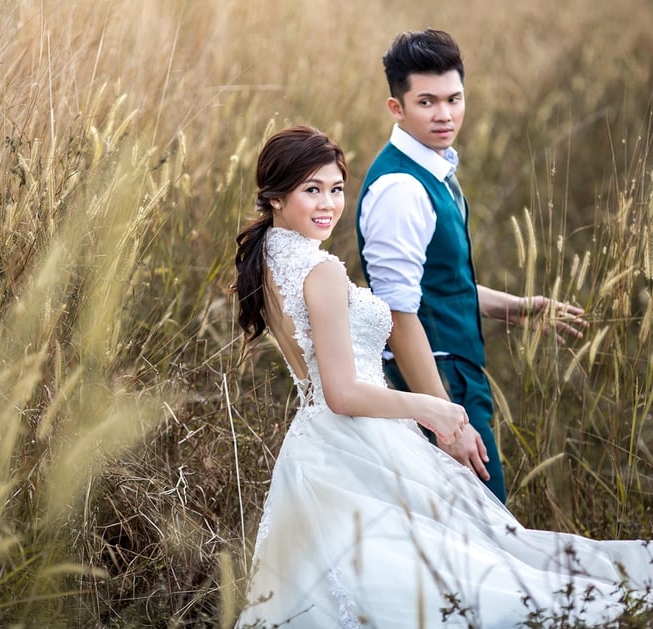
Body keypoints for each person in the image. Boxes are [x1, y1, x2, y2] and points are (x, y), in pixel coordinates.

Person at [234, 125, 652, 627]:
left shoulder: (274, 259)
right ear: (277, 197)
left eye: (336, 188)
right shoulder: (318, 271)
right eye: (312, 190)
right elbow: (342, 394)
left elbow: (403, 298)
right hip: (358, 443)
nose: (328, 204)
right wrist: (433, 407)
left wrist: (514, 307)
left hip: (315, 449)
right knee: (452, 584)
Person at [355, 29, 586, 504]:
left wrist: (516, 308)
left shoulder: (433, 168)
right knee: (482, 528)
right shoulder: (402, 188)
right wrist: (443, 417)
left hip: (455, 376)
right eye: (427, 102)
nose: (445, 114)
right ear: (396, 108)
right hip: (438, 382)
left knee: (474, 532)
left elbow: (436, 287)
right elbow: (398, 316)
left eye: (454, 98)